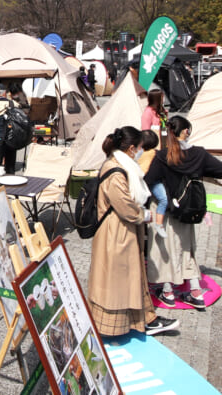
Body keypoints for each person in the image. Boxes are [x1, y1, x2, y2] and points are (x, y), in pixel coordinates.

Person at [86, 125, 179, 337]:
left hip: (124, 232)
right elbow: (125, 206)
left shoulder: (122, 164)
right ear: (130, 148)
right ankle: (110, 326)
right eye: (138, 148)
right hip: (115, 233)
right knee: (116, 281)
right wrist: (145, 215)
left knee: (131, 278)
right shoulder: (115, 170)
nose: (140, 152)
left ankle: (147, 319)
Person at [146, 116, 222, 309]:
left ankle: (167, 291)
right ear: (187, 132)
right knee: (187, 248)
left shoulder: (163, 156)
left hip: (167, 211)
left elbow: (149, 179)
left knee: (164, 249)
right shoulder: (199, 155)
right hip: (188, 209)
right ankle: (195, 291)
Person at [137, 130, 167, 236]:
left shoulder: (138, 154)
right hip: (153, 182)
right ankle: (159, 223)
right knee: (163, 199)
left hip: (141, 182)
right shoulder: (155, 154)